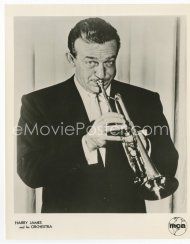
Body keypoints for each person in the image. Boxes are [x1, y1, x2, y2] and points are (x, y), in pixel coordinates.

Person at [17, 17, 178, 213]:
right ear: (71, 59)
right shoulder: (39, 102)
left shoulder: (145, 100)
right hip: (68, 222)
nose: (101, 73)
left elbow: (169, 166)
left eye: (109, 62)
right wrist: (87, 144)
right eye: (91, 62)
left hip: (126, 221)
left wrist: (146, 148)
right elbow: (30, 173)